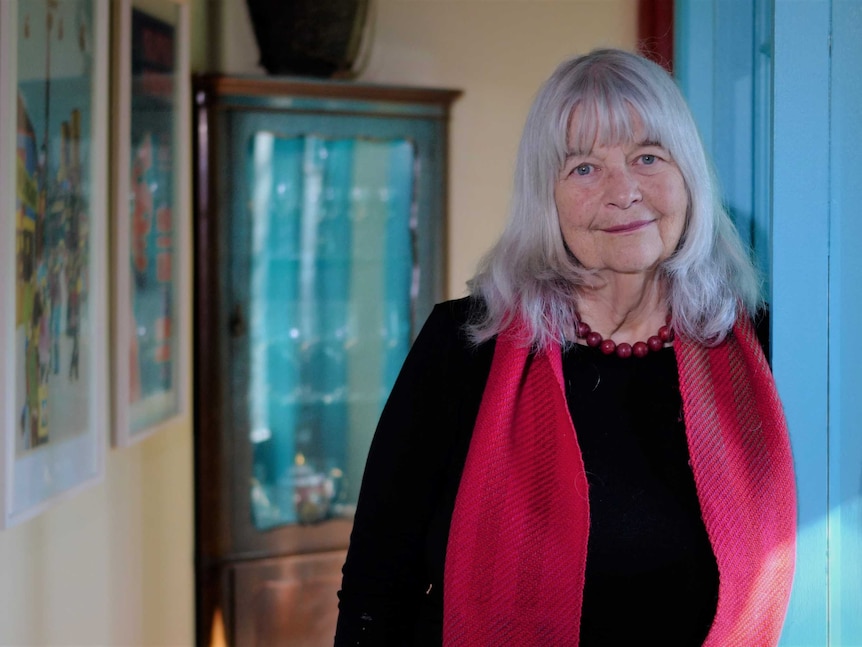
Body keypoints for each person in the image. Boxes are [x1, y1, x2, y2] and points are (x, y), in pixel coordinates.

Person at [334, 48, 796, 646]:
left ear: (690, 176)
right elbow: (377, 583)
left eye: (648, 156)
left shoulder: (761, 346)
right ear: (544, 196)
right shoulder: (462, 346)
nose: (623, 191)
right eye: (583, 168)